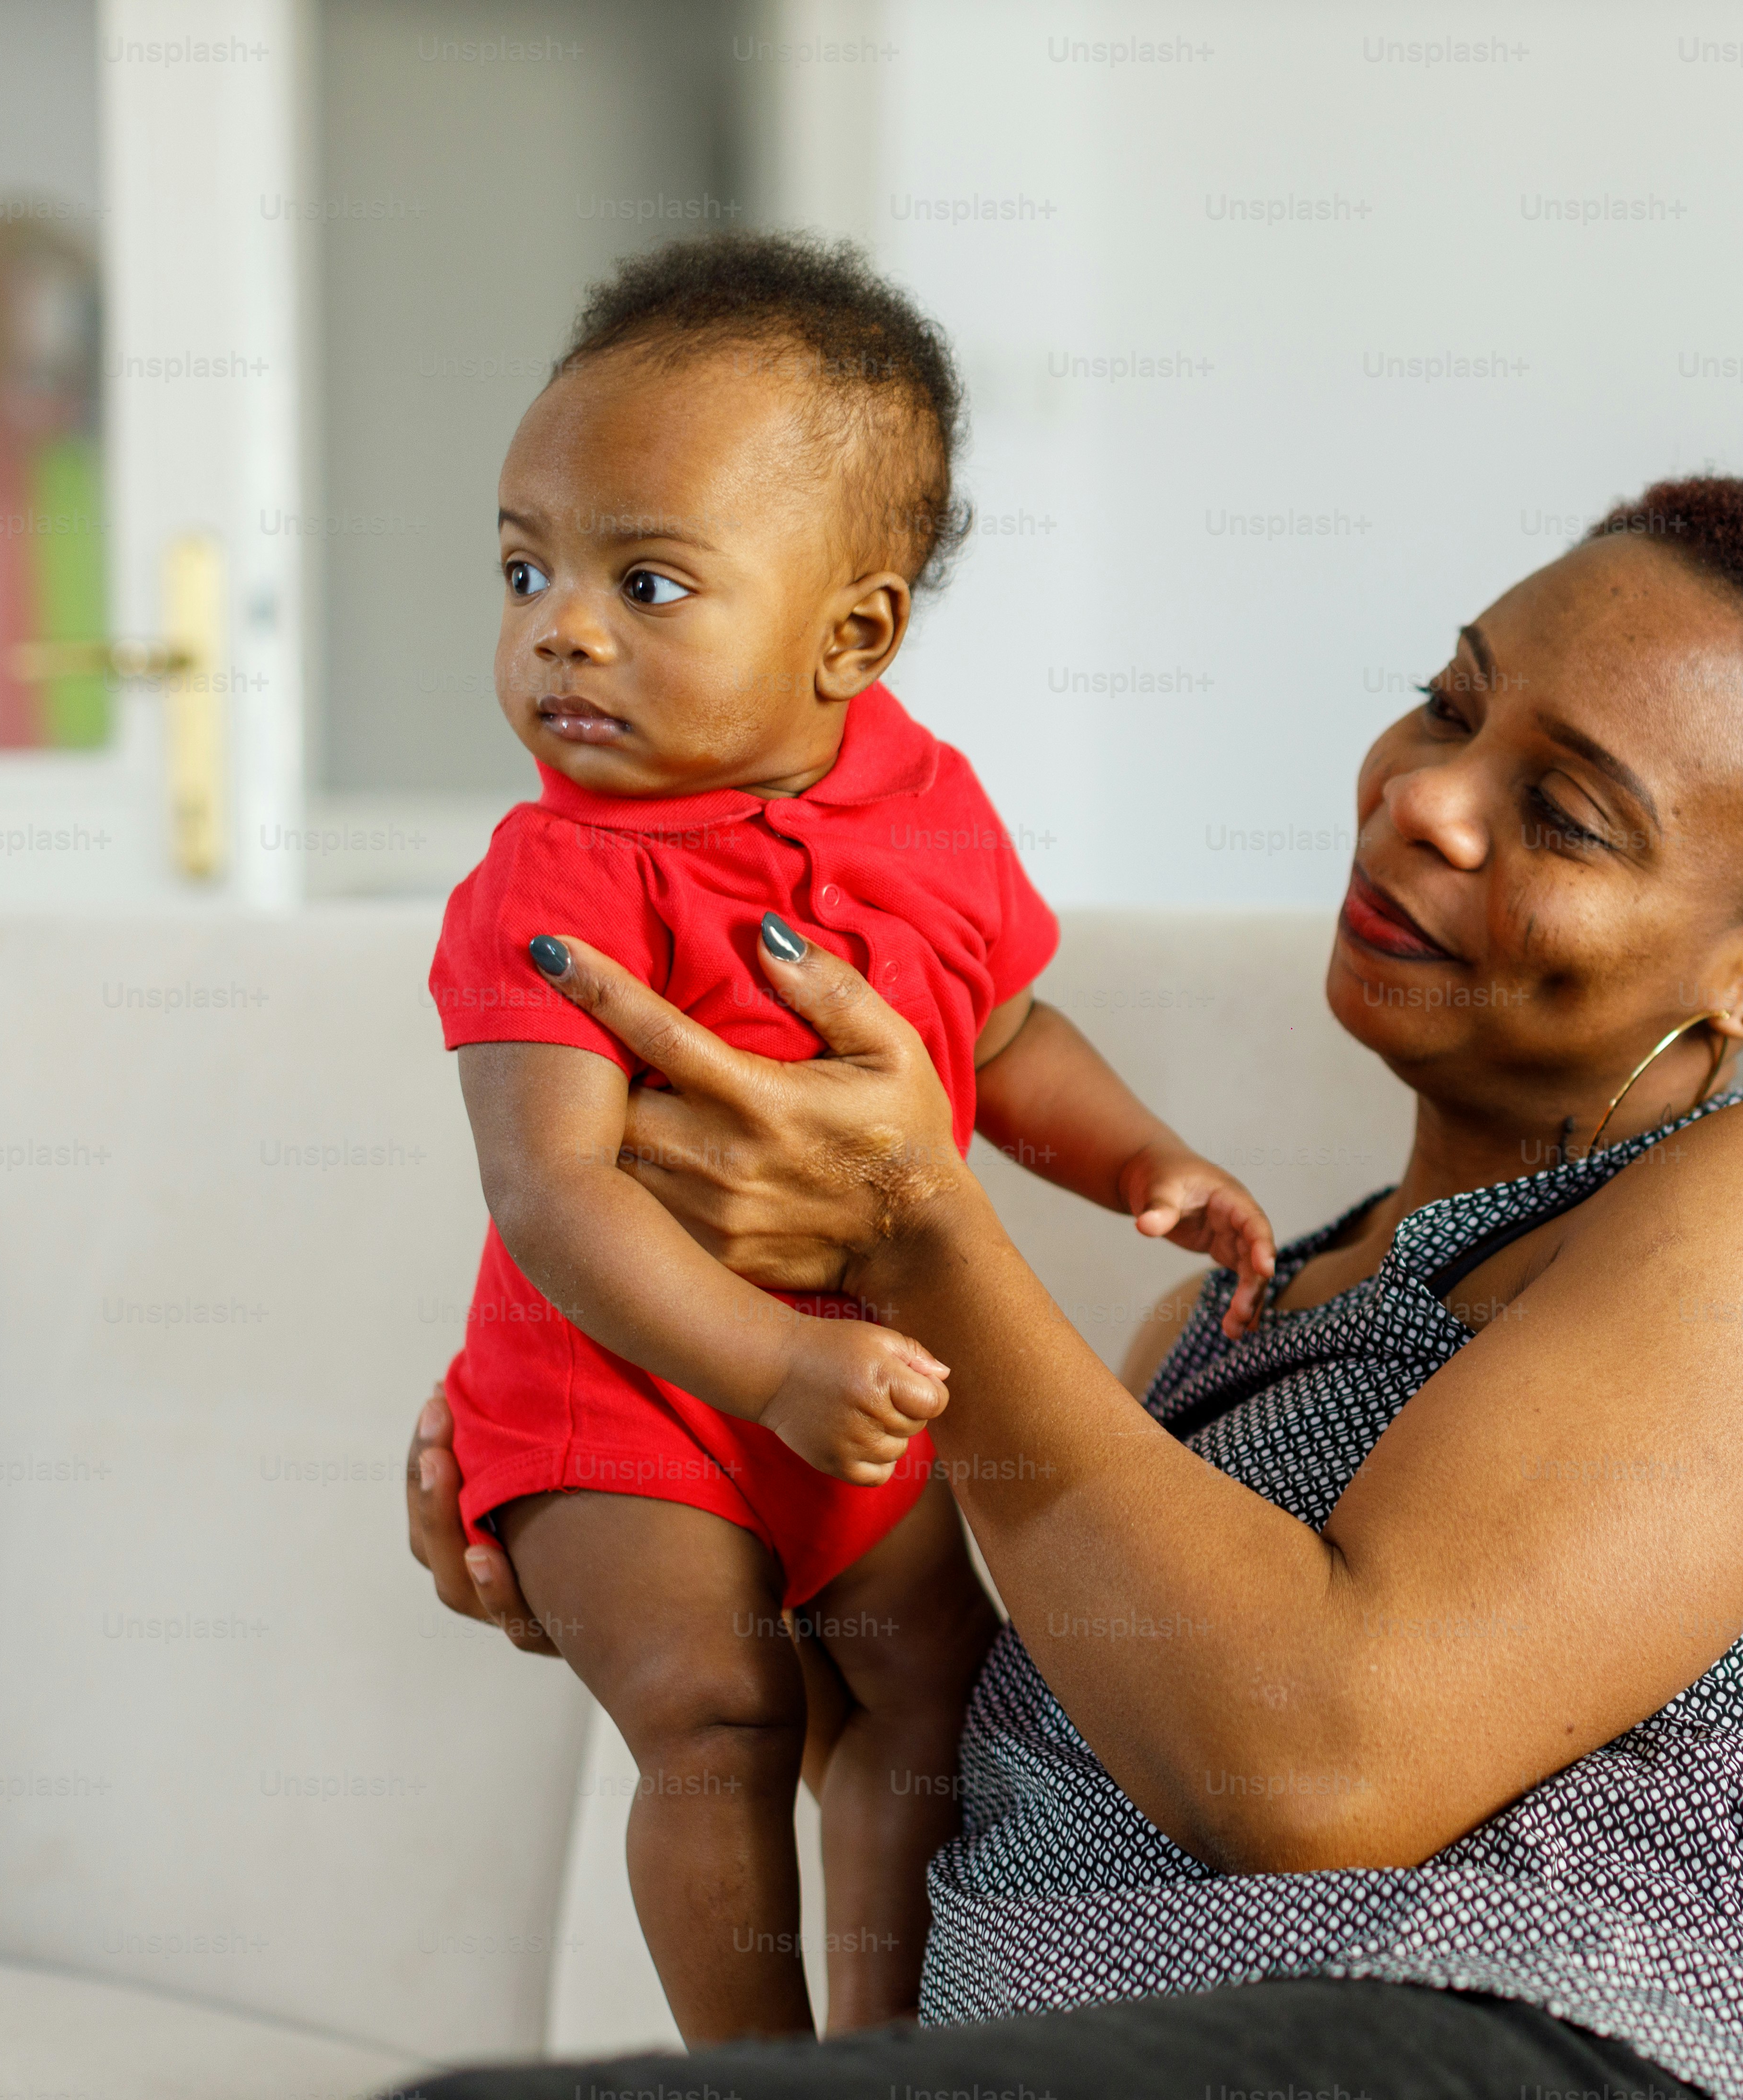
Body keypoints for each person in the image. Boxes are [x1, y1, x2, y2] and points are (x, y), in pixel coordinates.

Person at [401, 474, 1743, 2100]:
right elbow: (1026, 1770)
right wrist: (637, 1513)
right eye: (1444, 707)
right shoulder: (1209, 1328)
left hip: (1569, 2032)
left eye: (1563, 815)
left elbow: (1313, 1768)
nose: (1425, 802)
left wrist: (917, 1224)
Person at [427, 233, 1276, 2042]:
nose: (560, 625)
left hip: (858, 1386)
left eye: (647, 581)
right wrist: (772, 1367)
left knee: (930, 1696)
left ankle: (886, 2062)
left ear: (854, 633)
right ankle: (756, 2073)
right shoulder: (551, 877)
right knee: (718, 1708)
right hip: (616, 1390)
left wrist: (1141, 1161)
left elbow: (1008, 1031)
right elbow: (553, 1188)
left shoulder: (931, 804)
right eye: (524, 566)